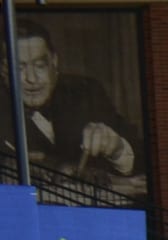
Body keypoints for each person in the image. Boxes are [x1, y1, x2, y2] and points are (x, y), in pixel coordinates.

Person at [8, 20, 141, 185]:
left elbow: (144, 159)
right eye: (19, 68)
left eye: (40, 65)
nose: (32, 79)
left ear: (54, 62)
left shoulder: (85, 91)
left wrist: (117, 148)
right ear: (2, 70)